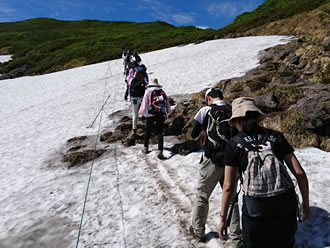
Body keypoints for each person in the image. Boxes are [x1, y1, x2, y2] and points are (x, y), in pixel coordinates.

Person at [219, 97, 311, 248]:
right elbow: (299, 173)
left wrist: (223, 219)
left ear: (237, 121)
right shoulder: (276, 136)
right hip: (286, 203)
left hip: (257, 207)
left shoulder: (233, 144)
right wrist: (305, 206)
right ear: (257, 118)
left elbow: (228, 186)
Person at [190, 88, 242, 246]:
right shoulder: (233, 110)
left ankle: (198, 230)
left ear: (208, 99)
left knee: (202, 194)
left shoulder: (206, 110)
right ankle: (236, 239)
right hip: (232, 161)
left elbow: (193, 134)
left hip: (212, 160)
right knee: (232, 198)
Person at [138, 78, 171, 160]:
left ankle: (146, 149)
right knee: (160, 132)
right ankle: (160, 152)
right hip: (160, 113)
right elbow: (167, 102)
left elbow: (144, 103)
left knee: (147, 131)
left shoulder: (148, 91)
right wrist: (168, 112)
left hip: (150, 114)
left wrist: (141, 114)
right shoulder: (162, 91)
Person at [125, 63, 149, 135]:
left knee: (135, 114)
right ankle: (147, 127)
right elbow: (147, 86)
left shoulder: (133, 79)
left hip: (134, 98)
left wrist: (127, 95)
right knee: (145, 111)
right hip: (142, 97)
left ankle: (134, 129)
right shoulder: (144, 78)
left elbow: (129, 86)